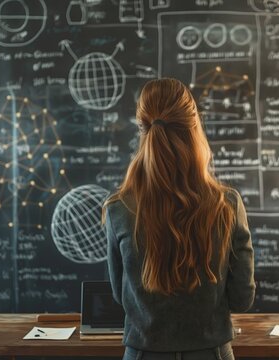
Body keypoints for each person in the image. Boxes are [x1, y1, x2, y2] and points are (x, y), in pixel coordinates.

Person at [103, 78, 255, 360]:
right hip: (210, 353)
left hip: (142, 354)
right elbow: (242, 299)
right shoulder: (227, 204)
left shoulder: (118, 208)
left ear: (142, 128)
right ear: (194, 127)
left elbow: (119, 294)